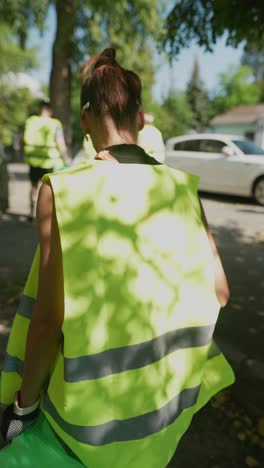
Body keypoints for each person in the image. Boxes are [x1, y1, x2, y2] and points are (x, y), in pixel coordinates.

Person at [0, 48, 234, 467]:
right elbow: (219, 293)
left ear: (86, 118)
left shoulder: (62, 190)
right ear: (140, 118)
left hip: (81, 431)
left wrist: (22, 406)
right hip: (160, 423)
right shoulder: (184, 188)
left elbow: (50, 321)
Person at [23, 99, 70, 219]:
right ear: (50, 111)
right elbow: (60, 143)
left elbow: (22, 139)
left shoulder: (31, 121)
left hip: (33, 160)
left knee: (33, 186)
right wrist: (66, 160)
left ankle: (31, 210)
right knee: (47, 189)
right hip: (49, 161)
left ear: (40, 109)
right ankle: (45, 215)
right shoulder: (54, 124)